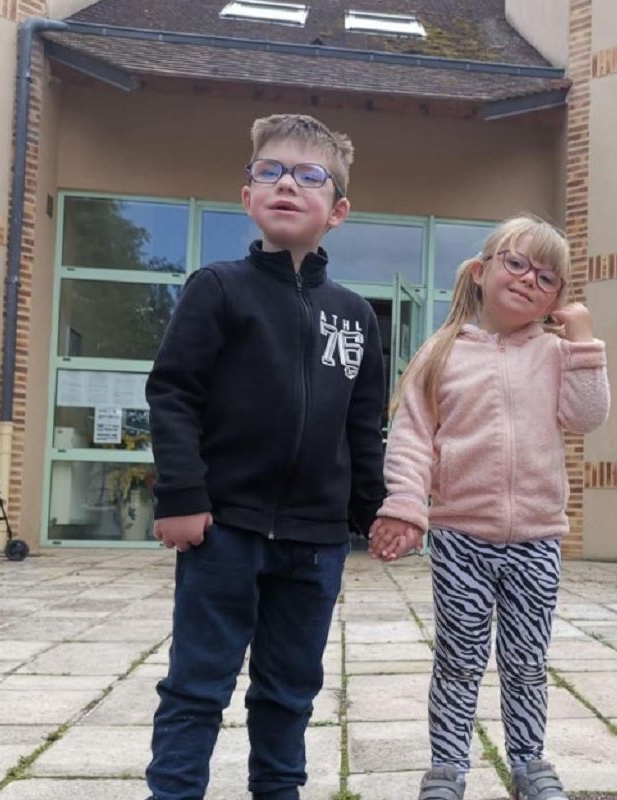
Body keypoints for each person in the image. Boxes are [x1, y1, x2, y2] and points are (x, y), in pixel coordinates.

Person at [144, 113, 385, 800]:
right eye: (269, 171)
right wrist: (182, 498)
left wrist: (376, 512)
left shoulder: (356, 316)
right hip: (225, 530)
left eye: (310, 175)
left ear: (337, 210)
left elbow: (362, 426)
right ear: (247, 196)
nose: (287, 184)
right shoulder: (217, 289)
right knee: (198, 685)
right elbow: (174, 393)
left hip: (314, 543)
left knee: (288, 693)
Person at [370, 215, 611, 800]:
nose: (531, 279)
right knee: (459, 657)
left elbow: (587, 417)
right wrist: (405, 506)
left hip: (536, 539)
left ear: (556, 298)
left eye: (548, 277)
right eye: (517, 262)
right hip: (460, 538)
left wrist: (582, 341)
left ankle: (528, 763)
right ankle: (447, 769)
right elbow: (410, 439)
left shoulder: (556, 353)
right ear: (481, 271)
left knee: (527, 661)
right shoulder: (442, 352)